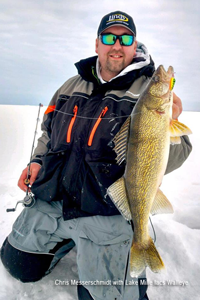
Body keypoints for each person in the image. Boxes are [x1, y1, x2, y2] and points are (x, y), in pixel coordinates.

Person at [1, 11, 192, 300]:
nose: (117, 44)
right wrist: (38, 161)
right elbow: (47, 132)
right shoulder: (70, 85)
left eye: (125, 38)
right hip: (55, 199)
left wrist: (167, 124)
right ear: (97, 44)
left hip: (107, 209)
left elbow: (178, 151)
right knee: (18, 265)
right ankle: (65, 240)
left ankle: (127, 248)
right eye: (109, 37)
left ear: (134, 44)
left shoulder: (147, 93)